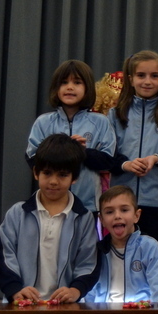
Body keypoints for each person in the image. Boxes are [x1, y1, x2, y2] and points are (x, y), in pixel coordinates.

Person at [0, 134, 98, 304]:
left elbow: (88, 262)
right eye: (47, 173)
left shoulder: (84, 218)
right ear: (36, 173)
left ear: (74, 178)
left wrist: (75, 290)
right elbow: (5, 256)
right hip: (22, 304)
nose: (53, 181)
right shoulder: (16, 214)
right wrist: (16, 290)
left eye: (62, 175)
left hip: (65, 307)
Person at [109, 50, 158, 251]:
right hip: (121, 202)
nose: (147, 81)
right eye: (141, 75)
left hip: (157, 202)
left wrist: (155, 159)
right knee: (120, 255)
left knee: (154, 256)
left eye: (154, 76)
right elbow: (106, 156)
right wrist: (126, 165)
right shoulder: (115, 115)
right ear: (131, 79)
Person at [26, 60, 115, 213]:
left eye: (77, 82)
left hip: (88, 205)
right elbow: (32, 158)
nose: (69, 87)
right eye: (64, 82)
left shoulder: (101, 122)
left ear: (87, 88)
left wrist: (83, 152)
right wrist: (61, 152)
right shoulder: (43, 122)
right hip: (49, 204)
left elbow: (108, 161)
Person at [84, 185, 158, 302]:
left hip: (141, 312)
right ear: (102, 220)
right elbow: (88, 293)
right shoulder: (97, 251)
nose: (117, 216)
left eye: (124, 210)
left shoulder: (149, 247)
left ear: (136, 216)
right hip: (103, 312)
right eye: (109, 212)